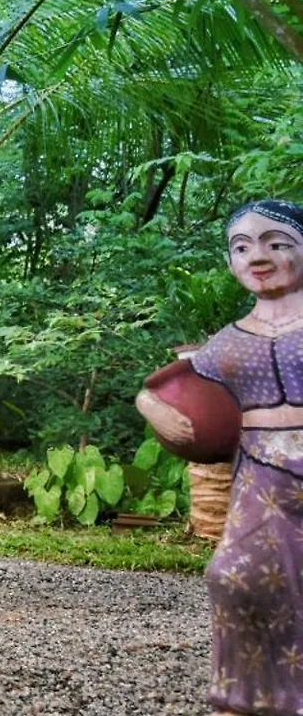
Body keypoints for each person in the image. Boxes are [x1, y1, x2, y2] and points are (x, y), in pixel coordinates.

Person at [187, 199, 303, 715]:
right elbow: (178, 392)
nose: (258, 256)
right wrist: (158, 409)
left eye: (276, 243)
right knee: (233, 574)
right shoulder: (227, 342)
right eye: (241, 247)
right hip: (261, 475)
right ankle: (247, 696)